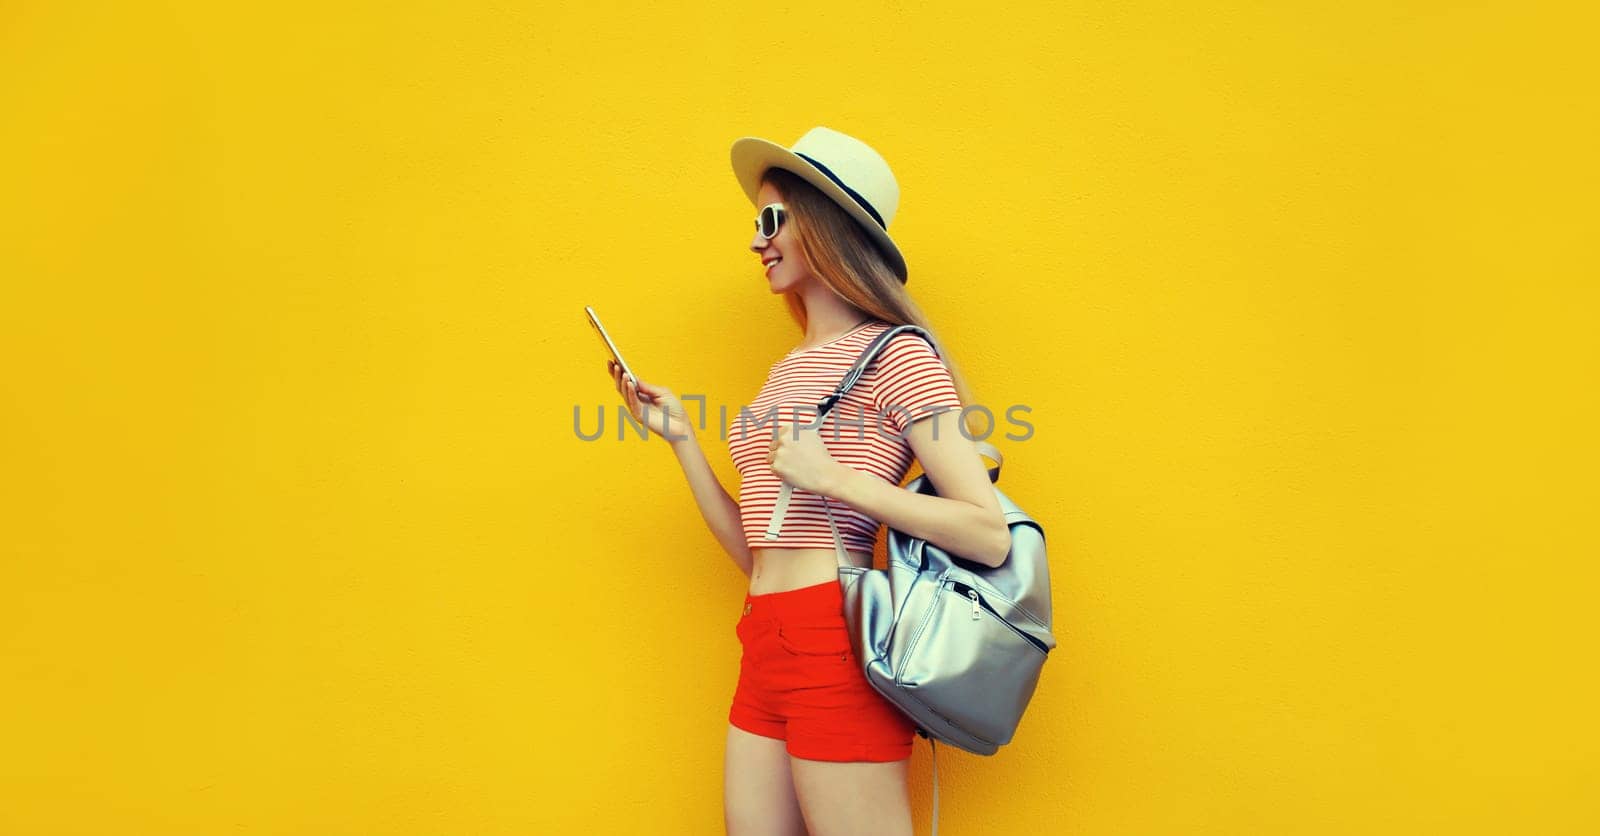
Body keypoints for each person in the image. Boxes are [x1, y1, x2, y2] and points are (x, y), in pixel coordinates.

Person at [605, 126, 1010, 835]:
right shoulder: (787, 371)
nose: (756, 242)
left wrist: (836, 480)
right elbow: (757, 553)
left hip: (835, 642)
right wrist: (681, 444)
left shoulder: (897, 354)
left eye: (771, 221)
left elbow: (988, 533)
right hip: (764, 638)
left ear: (825, 225)